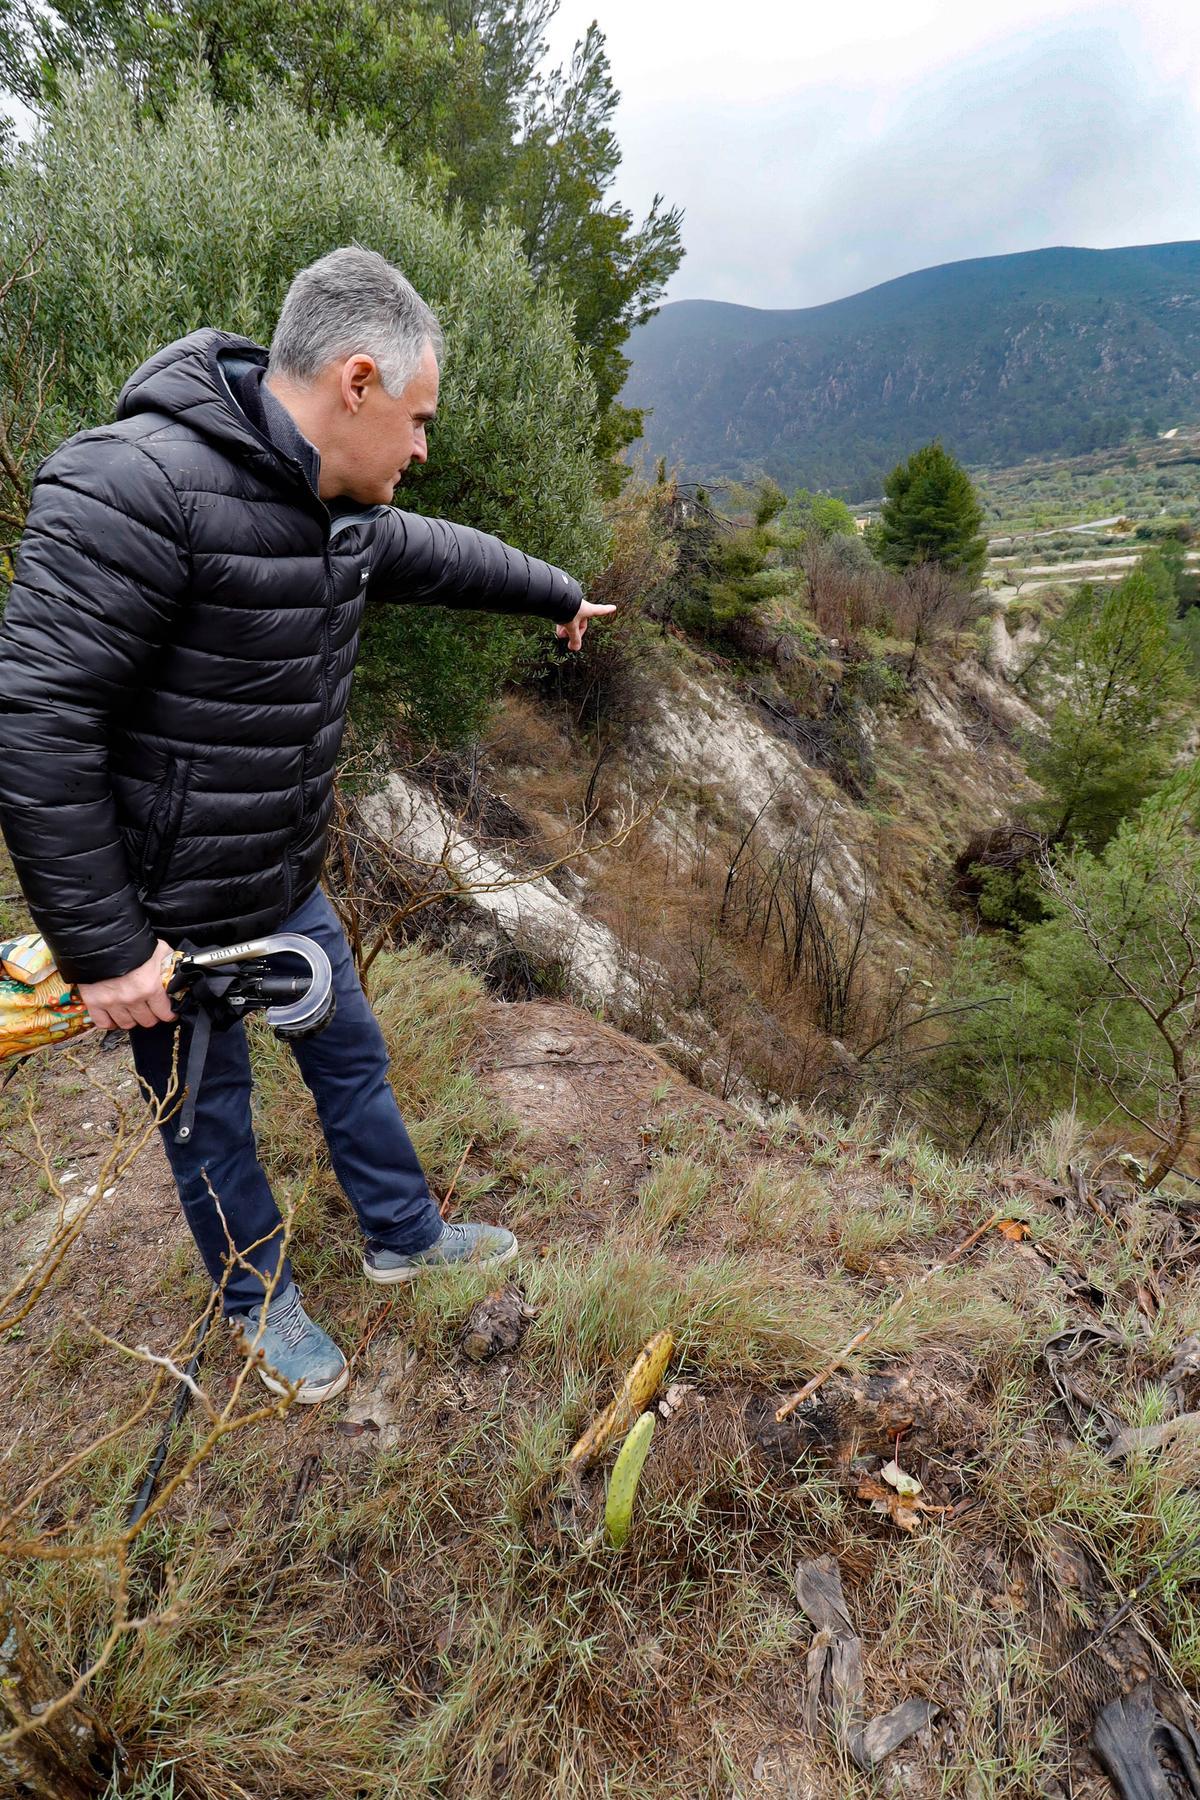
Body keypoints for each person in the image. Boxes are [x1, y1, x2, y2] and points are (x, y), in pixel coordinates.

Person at [0, 246, 614, 1403]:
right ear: (359, 383)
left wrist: (554, 591)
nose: (425, 448)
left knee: (351, 1055)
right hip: (166, 917)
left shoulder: (334, 508)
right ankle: (259, 1300)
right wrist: (105, 951)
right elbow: (37, 724)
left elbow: (443, 557)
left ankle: (402, 1236)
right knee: (209, 1120)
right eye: (420, 419)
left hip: (282, 879)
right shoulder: (134, 485)